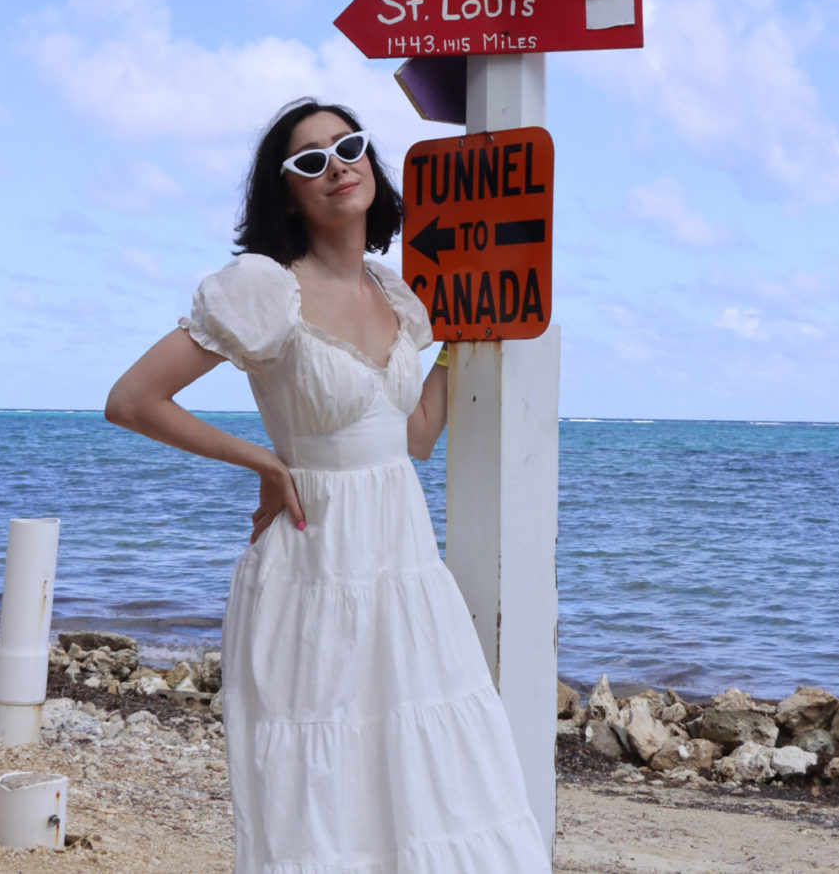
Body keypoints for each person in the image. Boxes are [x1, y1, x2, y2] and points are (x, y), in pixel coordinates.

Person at [105, 97, 552, 873]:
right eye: (308, 159)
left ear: (371, 162)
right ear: (287, 192)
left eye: (348, 146)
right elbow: (133, 400)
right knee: (321, 786)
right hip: (313, 567)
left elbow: (410, 439)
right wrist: (265, 463)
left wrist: (461, 342)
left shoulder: (400, 295)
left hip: (403, 567)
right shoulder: (265, 287)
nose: (336, 165)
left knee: (434, 772)